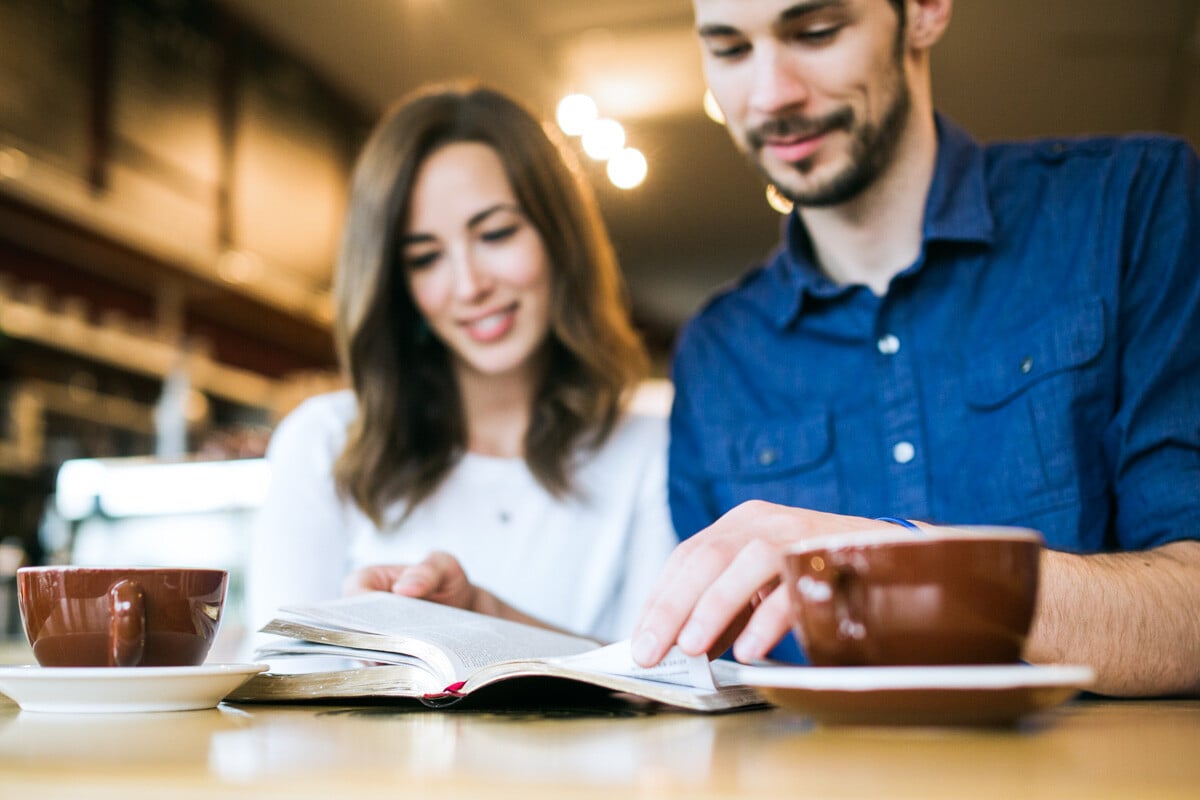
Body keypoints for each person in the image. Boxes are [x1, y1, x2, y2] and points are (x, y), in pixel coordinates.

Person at [631, 0, 1200, 697]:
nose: (771, 94)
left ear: (926, 11)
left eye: (816, 32)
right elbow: (709, 668)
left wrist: (897, 563)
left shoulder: (1133, 205)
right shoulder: (715, 353)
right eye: (729, 50)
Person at [246, 83, 676, 646]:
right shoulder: (326, 442)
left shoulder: (650, 449)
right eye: (425, 258)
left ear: (560, 239)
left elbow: (658, 682)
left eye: (496, 233)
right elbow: (277, 680)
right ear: (397, 285)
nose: (470, 286)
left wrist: (483, 616)